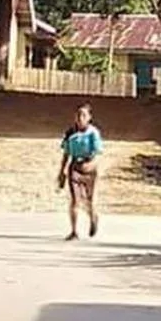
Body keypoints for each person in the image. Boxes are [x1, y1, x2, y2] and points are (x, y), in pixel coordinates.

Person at [58, 103, 104, 241]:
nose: (80, 118)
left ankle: (93, 217)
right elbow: (66, 153)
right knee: (74, 201)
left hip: (89, 170)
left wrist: (92, 166)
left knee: (89, 200)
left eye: (84, 115)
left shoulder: (93, 133)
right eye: (78, 115)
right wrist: (62, 172)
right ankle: (74, 230)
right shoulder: (70, 133)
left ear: (89, 117)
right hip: (75, 169)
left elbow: (98, 153)